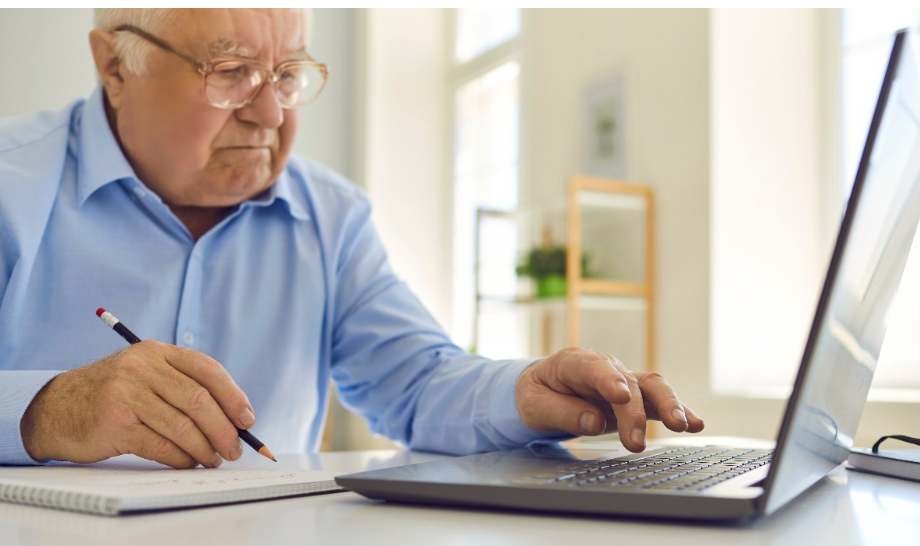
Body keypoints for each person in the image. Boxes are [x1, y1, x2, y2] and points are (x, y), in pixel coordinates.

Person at [0, 7, 704, 470]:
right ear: (115, 67)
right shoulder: (11, 186)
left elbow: (421, 383)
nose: (272, 113)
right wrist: (48, 410)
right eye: (231, 73)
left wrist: (526, 390)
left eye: (287, 74)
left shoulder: (331, 216)